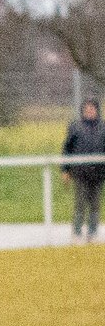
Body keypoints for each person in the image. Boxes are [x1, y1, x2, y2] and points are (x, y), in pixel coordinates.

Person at [62, 97, 103, 243]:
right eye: (87, 109)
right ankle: (77, 233)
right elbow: (67, 149)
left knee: (95, 206)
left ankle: (92, 233)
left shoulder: (102, 128)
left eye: (92, 109)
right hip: (80, 174)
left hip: (98, 175)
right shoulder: (76, 127)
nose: (89, 111)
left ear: (97, 110)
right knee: (80, 204)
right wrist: (65, 170)